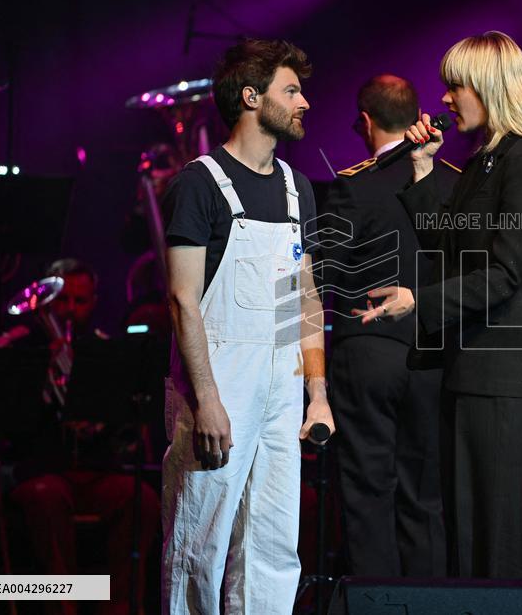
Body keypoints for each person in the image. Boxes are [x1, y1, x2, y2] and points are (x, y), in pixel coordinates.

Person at [357, 31, 522, 579]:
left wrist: (416, 303)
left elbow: (504, 272)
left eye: (456, 87)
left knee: (491, 535)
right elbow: (450, 249)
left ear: (490, 88)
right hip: (470, 363)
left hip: (502, 369)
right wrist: (424, 168)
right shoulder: (486, 161)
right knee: (466, 532)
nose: (443, 99)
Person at [161, 38, 334, 613]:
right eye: (292, 90)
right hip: (219, 383)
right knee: (199, 544)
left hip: (282, 388)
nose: (304, 100)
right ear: (251, 97)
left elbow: (302, 295)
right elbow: (184, 300)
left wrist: (317, 394)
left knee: (275, 546)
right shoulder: (200, 183)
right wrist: (207, 401)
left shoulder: (296, 187)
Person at [320, 75, 447, 576]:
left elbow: (320, 273)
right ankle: (433, 611)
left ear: (365, 121)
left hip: (369, 352)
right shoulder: (452, 178)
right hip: (434, 352)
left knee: (369, 493)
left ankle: (378, 604)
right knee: (425, 496)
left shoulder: (354, 182)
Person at [4, 258, 160, 615]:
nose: (70, 310)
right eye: (62, 301)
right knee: (45, 497)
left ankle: (119, 604)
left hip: (96, 467)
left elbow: (126, 426)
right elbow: (11, 426)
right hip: (44, 467)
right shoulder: (25, 352)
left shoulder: (105, 350)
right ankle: (63, 605)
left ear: (94, 302)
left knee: (142, 499)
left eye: (80, 301)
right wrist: (42, 385)